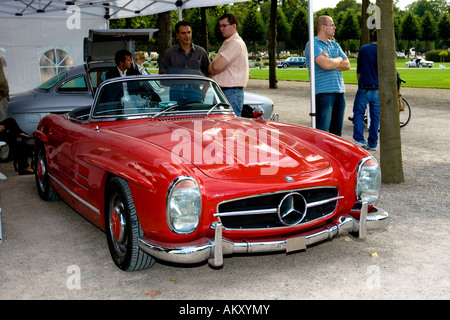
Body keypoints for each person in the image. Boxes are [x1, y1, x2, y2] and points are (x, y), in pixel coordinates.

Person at [305, 15, 350, 136]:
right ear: (323, 27)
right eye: (332, 25)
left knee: (336, 134)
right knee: (322, 133)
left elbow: (347, 65)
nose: (335, 27)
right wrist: (339, 58)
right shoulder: (313, 44)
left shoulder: (334, 45)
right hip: (323, 94)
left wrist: (332, 60)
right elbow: (325, 65)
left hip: (339, 92)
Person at [160, 20, 211, 105]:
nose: (187, 36)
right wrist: (173, 82)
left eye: (189, 32)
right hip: (176, 91)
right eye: (183, 33)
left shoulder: (200, 52)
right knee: (176, 117)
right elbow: (162, 73)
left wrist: (204, 90)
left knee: (196, 117)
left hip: (195, 91)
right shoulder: (169, 53)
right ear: (177, 35)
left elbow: (210, 72)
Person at [208, 13, 249, 117]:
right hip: (225, 92)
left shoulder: (235, 43)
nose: (221, 28)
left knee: (230, 129)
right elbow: (215, 67)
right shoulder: (228, 43)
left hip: (231, 92)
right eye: (220, 26)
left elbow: (215, 67)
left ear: (234, 26)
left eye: (224, 25)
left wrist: (212, 68)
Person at [352, 29, 379, 151]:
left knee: (358, 113)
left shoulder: (364, 49)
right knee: (375, 116)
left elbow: (359, 70)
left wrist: (361, 84)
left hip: (364, 87)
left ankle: (359, 139)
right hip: (378, 88)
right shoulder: (384, 50)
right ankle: (373, 143)